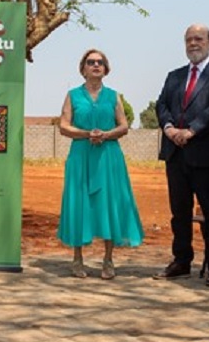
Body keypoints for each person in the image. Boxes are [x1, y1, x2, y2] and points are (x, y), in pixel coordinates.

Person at [57, 49, 144, 279]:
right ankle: (77, 259)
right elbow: (64, 126)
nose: (96, 65)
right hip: (81, 155)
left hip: (108, 156)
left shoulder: (114, 95)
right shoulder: (72, 95)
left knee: (108, 203)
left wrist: (105, 134)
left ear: (106, 68)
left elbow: (123, 126)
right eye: (91, 62)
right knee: (79, 203)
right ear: (83, 68)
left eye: (100, 62)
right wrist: (87, 133)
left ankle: (108, 259)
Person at [153, 24, 209, 286]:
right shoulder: (174, 76)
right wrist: (170, 128)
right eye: (188, 39)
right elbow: (161, 105)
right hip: (176, 154)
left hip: (207, 156)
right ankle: (181, 260)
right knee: (179, 212)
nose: (193, 43)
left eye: (198, 39)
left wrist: (193, 130)